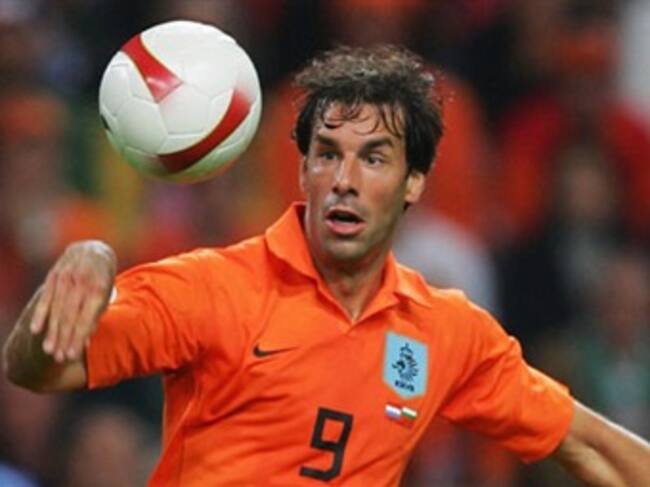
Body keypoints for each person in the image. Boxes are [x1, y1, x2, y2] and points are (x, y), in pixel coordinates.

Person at [2, 45, 649, 486]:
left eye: (374, 158)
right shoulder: (211, 287)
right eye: (327, 153)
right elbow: (35, 368)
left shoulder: (447, 331)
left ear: (414, 182)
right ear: (304, 170)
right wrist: (82, 264)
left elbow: (590, 445)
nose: (344, 179)